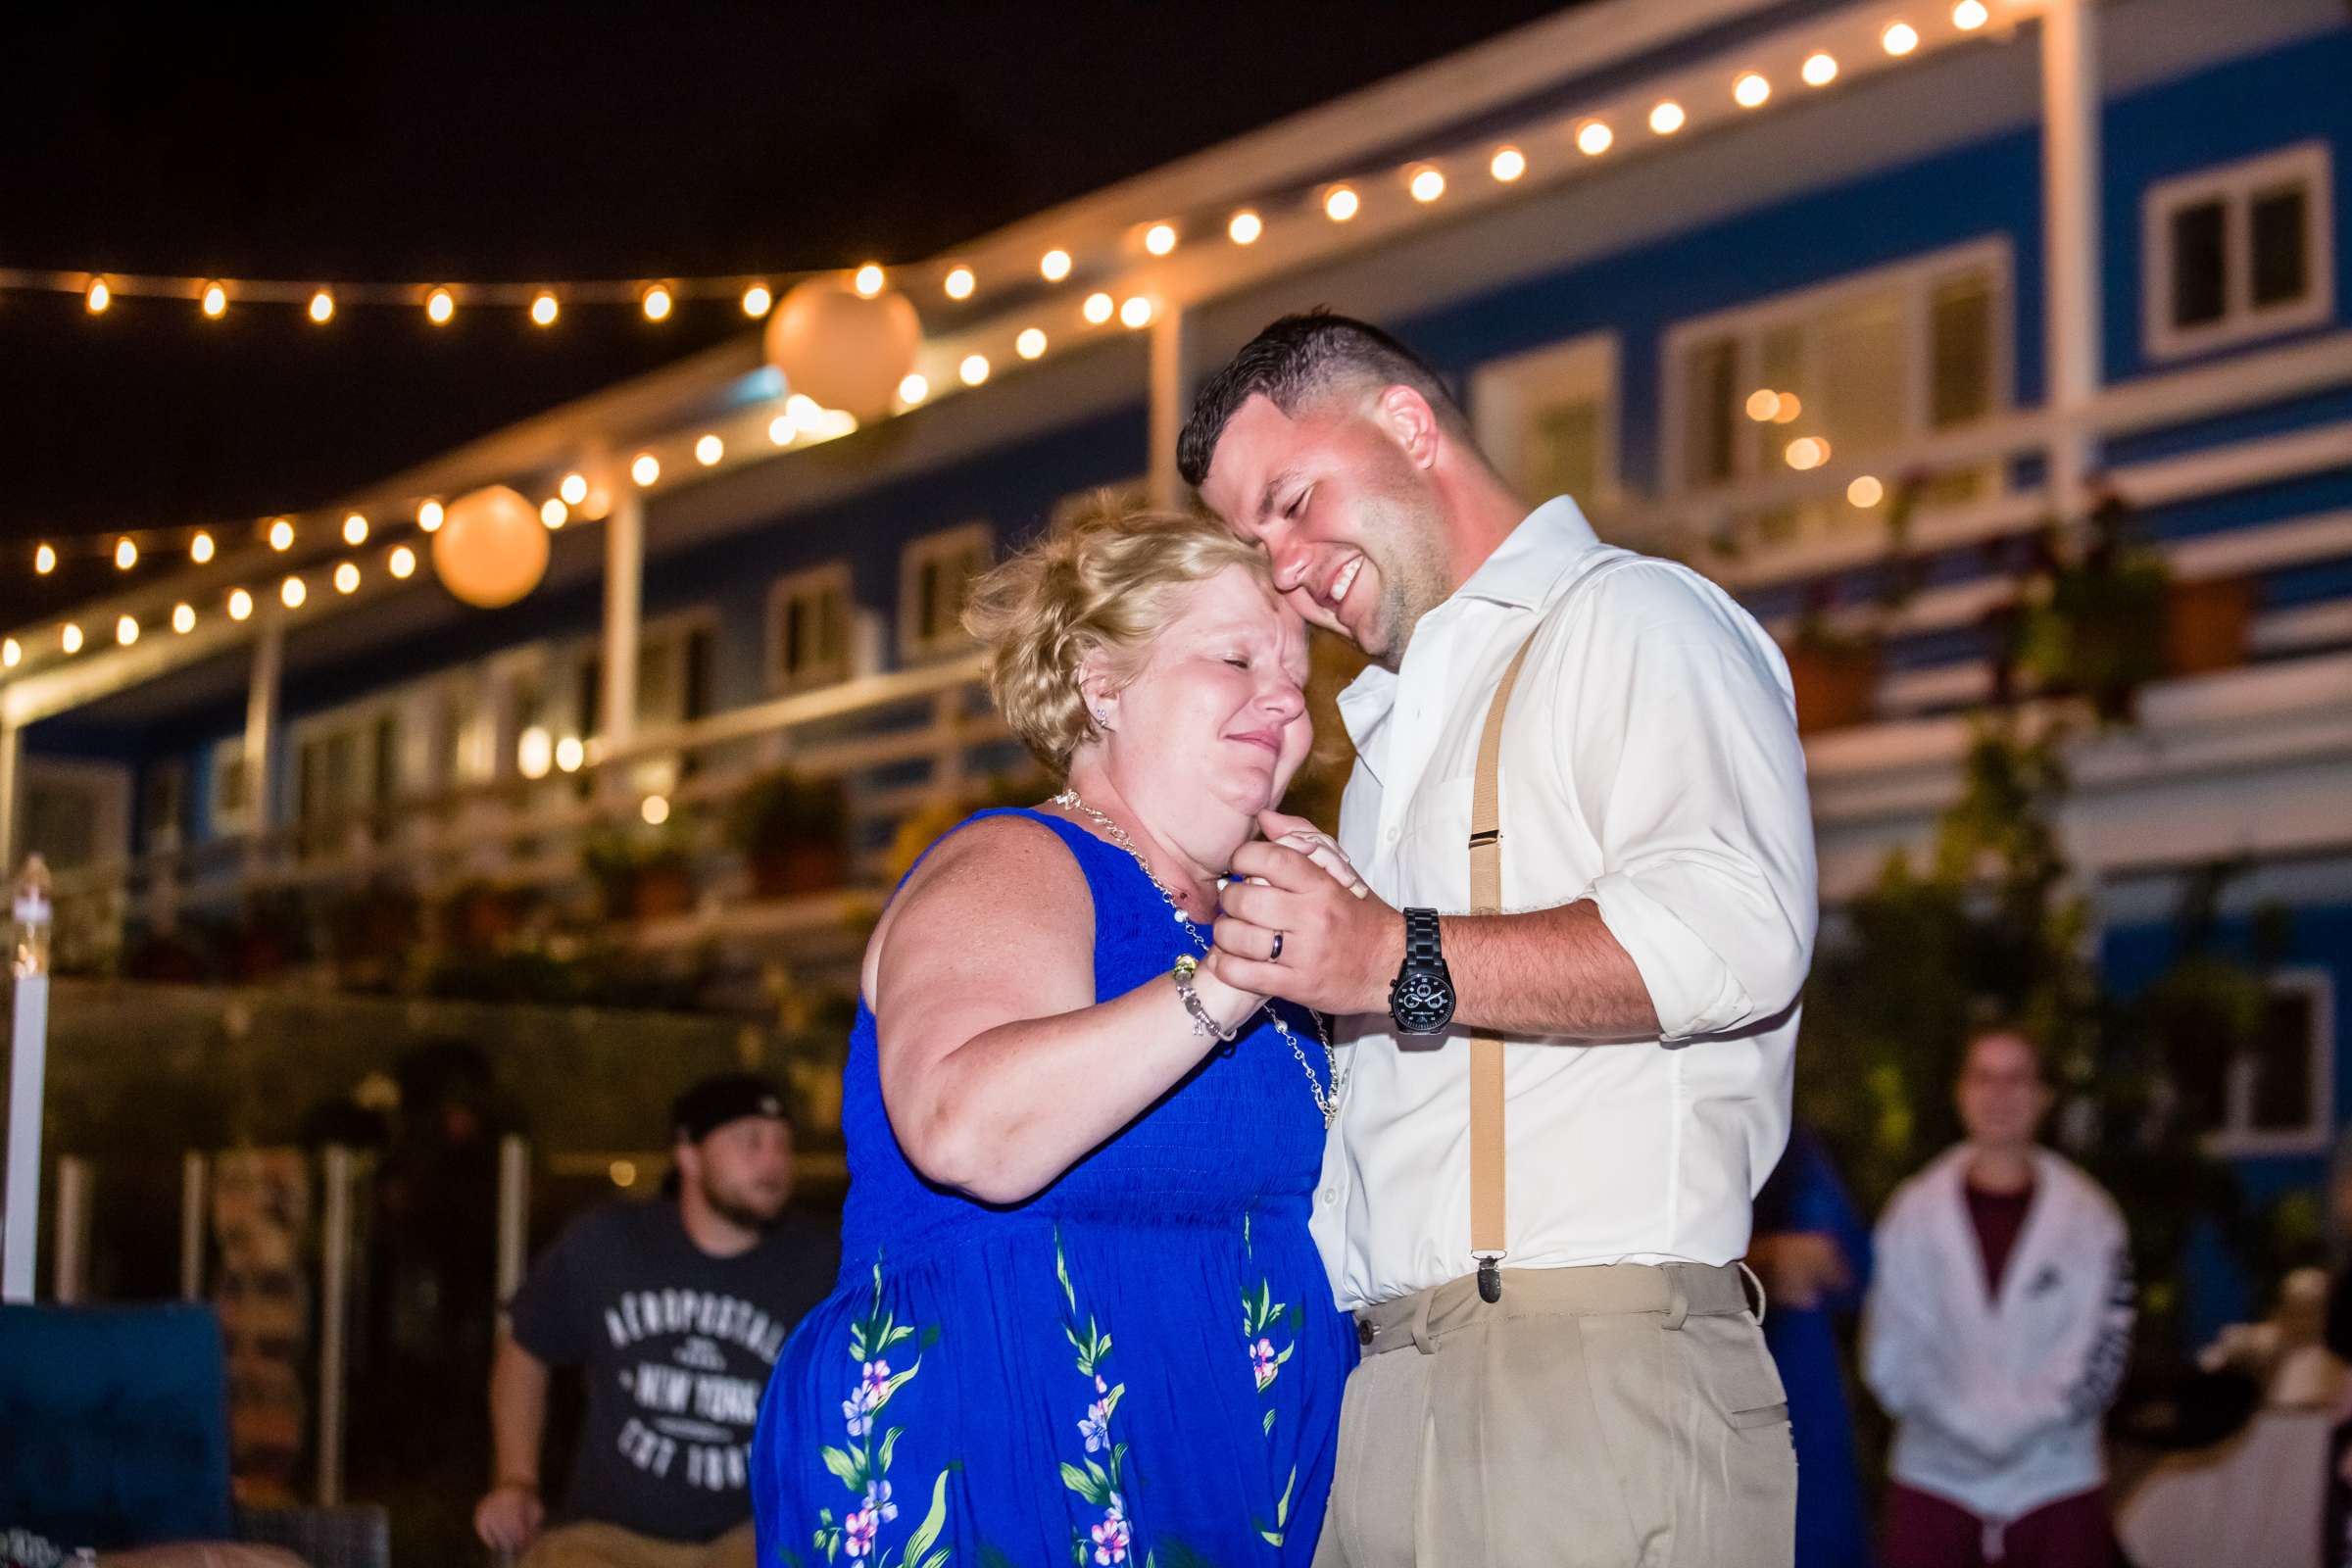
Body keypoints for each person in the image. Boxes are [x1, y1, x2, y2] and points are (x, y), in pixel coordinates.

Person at [1181, 311, 1816, 1567]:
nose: (1288, 566)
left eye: (1294, 501)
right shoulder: (1386, 746)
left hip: (1585, 1373)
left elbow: (1739, 929)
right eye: (1255, 544)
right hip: (1392, 1383)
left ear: (1409, 426)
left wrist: (1386, 953)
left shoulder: (1631, 621)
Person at [750, 501, 1354, 1565]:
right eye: (1235, 659)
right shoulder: (1019, 865)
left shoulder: (1257, 924)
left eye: (1297, 681)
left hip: (1226, 1477)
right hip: (1003, 1463)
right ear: (1102, 682)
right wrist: (1227, 982)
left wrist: (1364, 958)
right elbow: (966, 1128)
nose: (1284, 705)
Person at [474, 1073, 836, 1568]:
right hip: (606, 1539)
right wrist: (516, 1480)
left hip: (748, 1538)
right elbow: (525, 1349)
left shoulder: (821, 1264)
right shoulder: (610, 1243)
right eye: (750, 1141)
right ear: (688, 1154)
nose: (773, 1162)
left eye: (783, 1145)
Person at [1863, 1026, 2133, 1568]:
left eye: (2017, 1079)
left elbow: (2099, 1353)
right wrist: (1966, 1426)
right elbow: (1892, 1348)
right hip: (1934, 1477)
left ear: (2044, 1097)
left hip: (2056, 1480)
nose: (1999, 1095)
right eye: (1984, 1077)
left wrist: (2013, 1427)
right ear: (1961, 1093)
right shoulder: (1913, 1213)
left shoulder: (2091, 1219)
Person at [1750, 1124, 1876, 1568]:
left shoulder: (1797, 1148)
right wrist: (1764, 1260)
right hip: (1703, 1396)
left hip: (1805, 1402)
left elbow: (1851, 1268)